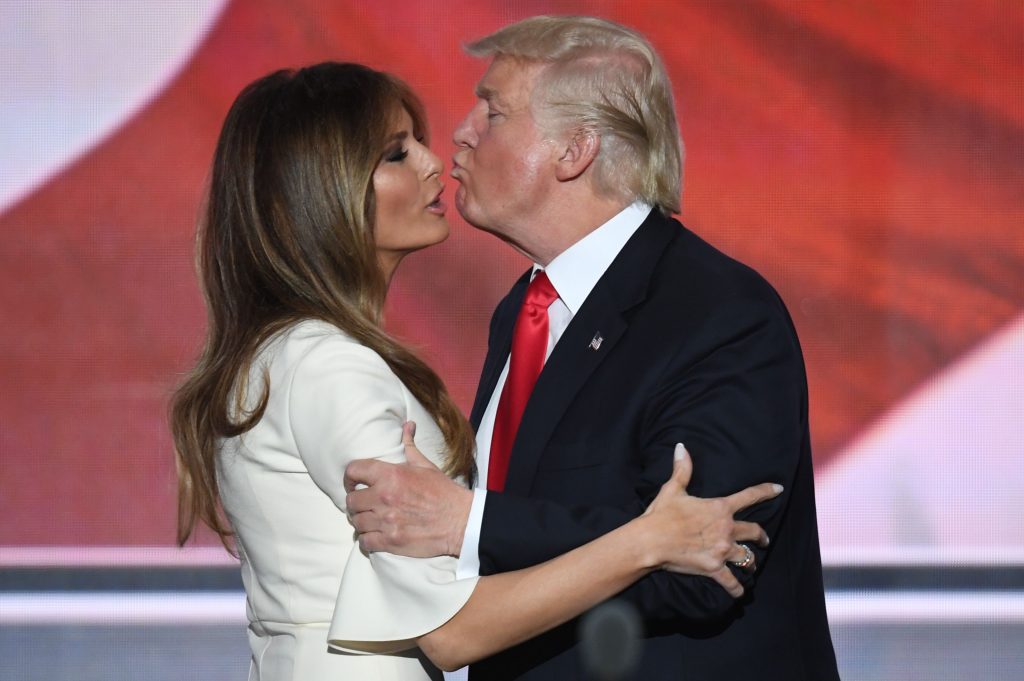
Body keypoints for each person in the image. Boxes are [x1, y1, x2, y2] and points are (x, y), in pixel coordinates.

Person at [169, 61, 780, 681]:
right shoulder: (329, 364)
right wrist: (650, 539)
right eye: (395, 154)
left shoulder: (289, 351)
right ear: (318, 191)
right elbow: (451, 629)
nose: (435, 162)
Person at [344, 16, 841, 681]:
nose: (461, 132)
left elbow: (704, 561)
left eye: (492, 111)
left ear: (575, 149)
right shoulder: (525, 309)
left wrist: (469, 521)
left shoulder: (719, 315)